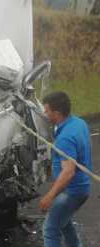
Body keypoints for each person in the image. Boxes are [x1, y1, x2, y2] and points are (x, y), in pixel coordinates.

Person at [40, 91, 92, 247]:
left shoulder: (65, 138)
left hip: (72, 192)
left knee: (50, 229)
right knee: (64, 221)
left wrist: (49, 196)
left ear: (56, 113)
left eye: (47, 110)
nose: (44, 113)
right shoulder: (78, 122)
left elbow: (68, 172)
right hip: (82, 187)